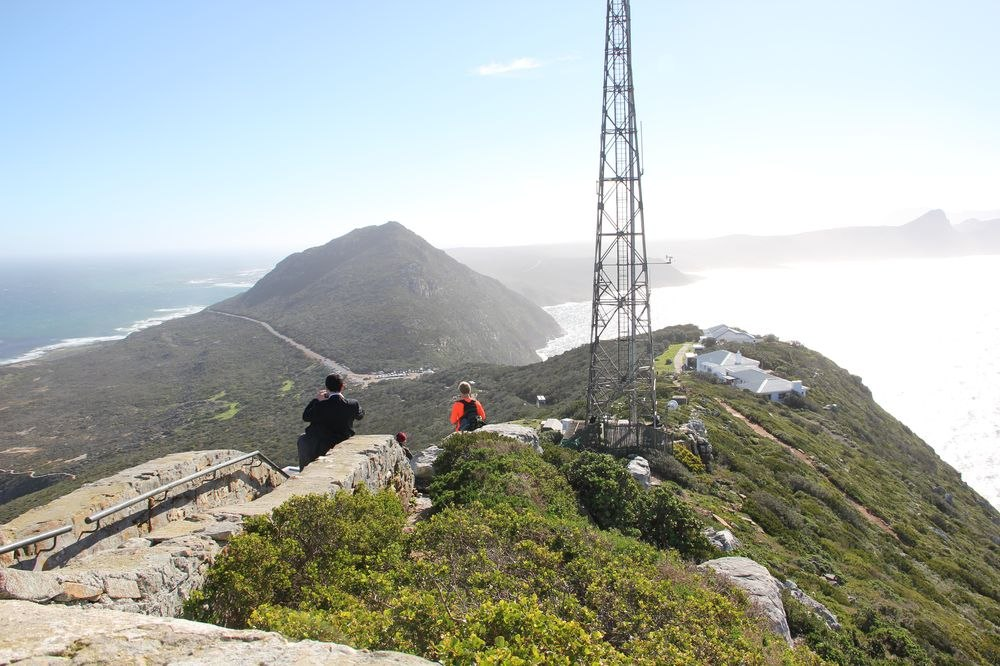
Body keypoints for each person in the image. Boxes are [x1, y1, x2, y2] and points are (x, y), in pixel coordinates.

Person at [297, 373, 365, 470]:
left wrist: (316, 400)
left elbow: (306, 416)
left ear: (326, 387)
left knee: (302, 439)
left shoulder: (321, 405)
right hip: (342, 441)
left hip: (320, 444)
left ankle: (304, 471)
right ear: (342, 386)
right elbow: (360, 415)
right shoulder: (353, 404)